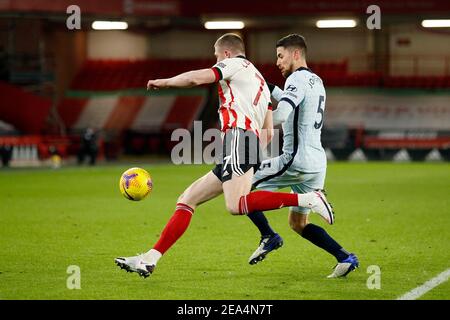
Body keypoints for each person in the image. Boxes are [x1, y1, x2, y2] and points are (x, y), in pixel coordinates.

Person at [115, 33, 334, 278]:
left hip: (238, 139)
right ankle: (149, 259)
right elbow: (269, 131)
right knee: (187, 199)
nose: (216, 61)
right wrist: (249, 152)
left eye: (217, 57)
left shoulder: (235, 64)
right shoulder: (259, 81)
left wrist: (163, 82)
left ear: (226, 54)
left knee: (236, 204)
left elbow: (194, 78)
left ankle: (308, 200)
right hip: (245, 142)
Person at [245, 34, 359, 278]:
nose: (277, 62)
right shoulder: (315, 80)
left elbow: (281, 114)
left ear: (296, 54)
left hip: (294, 160)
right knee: (298, 224)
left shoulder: (296, 79)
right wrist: (264, 86)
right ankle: (345, 257)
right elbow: (289, 99)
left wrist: (253, 121)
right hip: (316, 162)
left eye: (280, 56)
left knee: (241, 189)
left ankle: (269, 236)